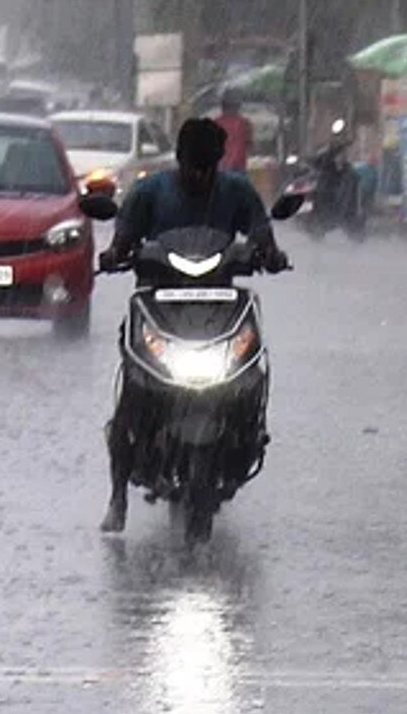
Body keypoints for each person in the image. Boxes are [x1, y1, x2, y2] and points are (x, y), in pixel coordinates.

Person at [96, 118, 288, 533]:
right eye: (192, 167)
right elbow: (122, 238)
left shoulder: (237, 191)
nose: (199, 176)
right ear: (179, 160)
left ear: (218, 164)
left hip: (220, 307)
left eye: (207, 168)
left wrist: (270, 254)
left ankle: (244, 432)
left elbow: (261, 234)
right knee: (131, 396)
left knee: (249, 373)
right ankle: (117, 498)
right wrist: (115, 254)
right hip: (158, 305)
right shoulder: (149, 192)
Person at [214, 88, 253, 173]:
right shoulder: (245, 123)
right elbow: (249, 145)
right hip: (238, 167)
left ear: (222, 106)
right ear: (238, 106)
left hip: (221, 168)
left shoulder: (215, 123)